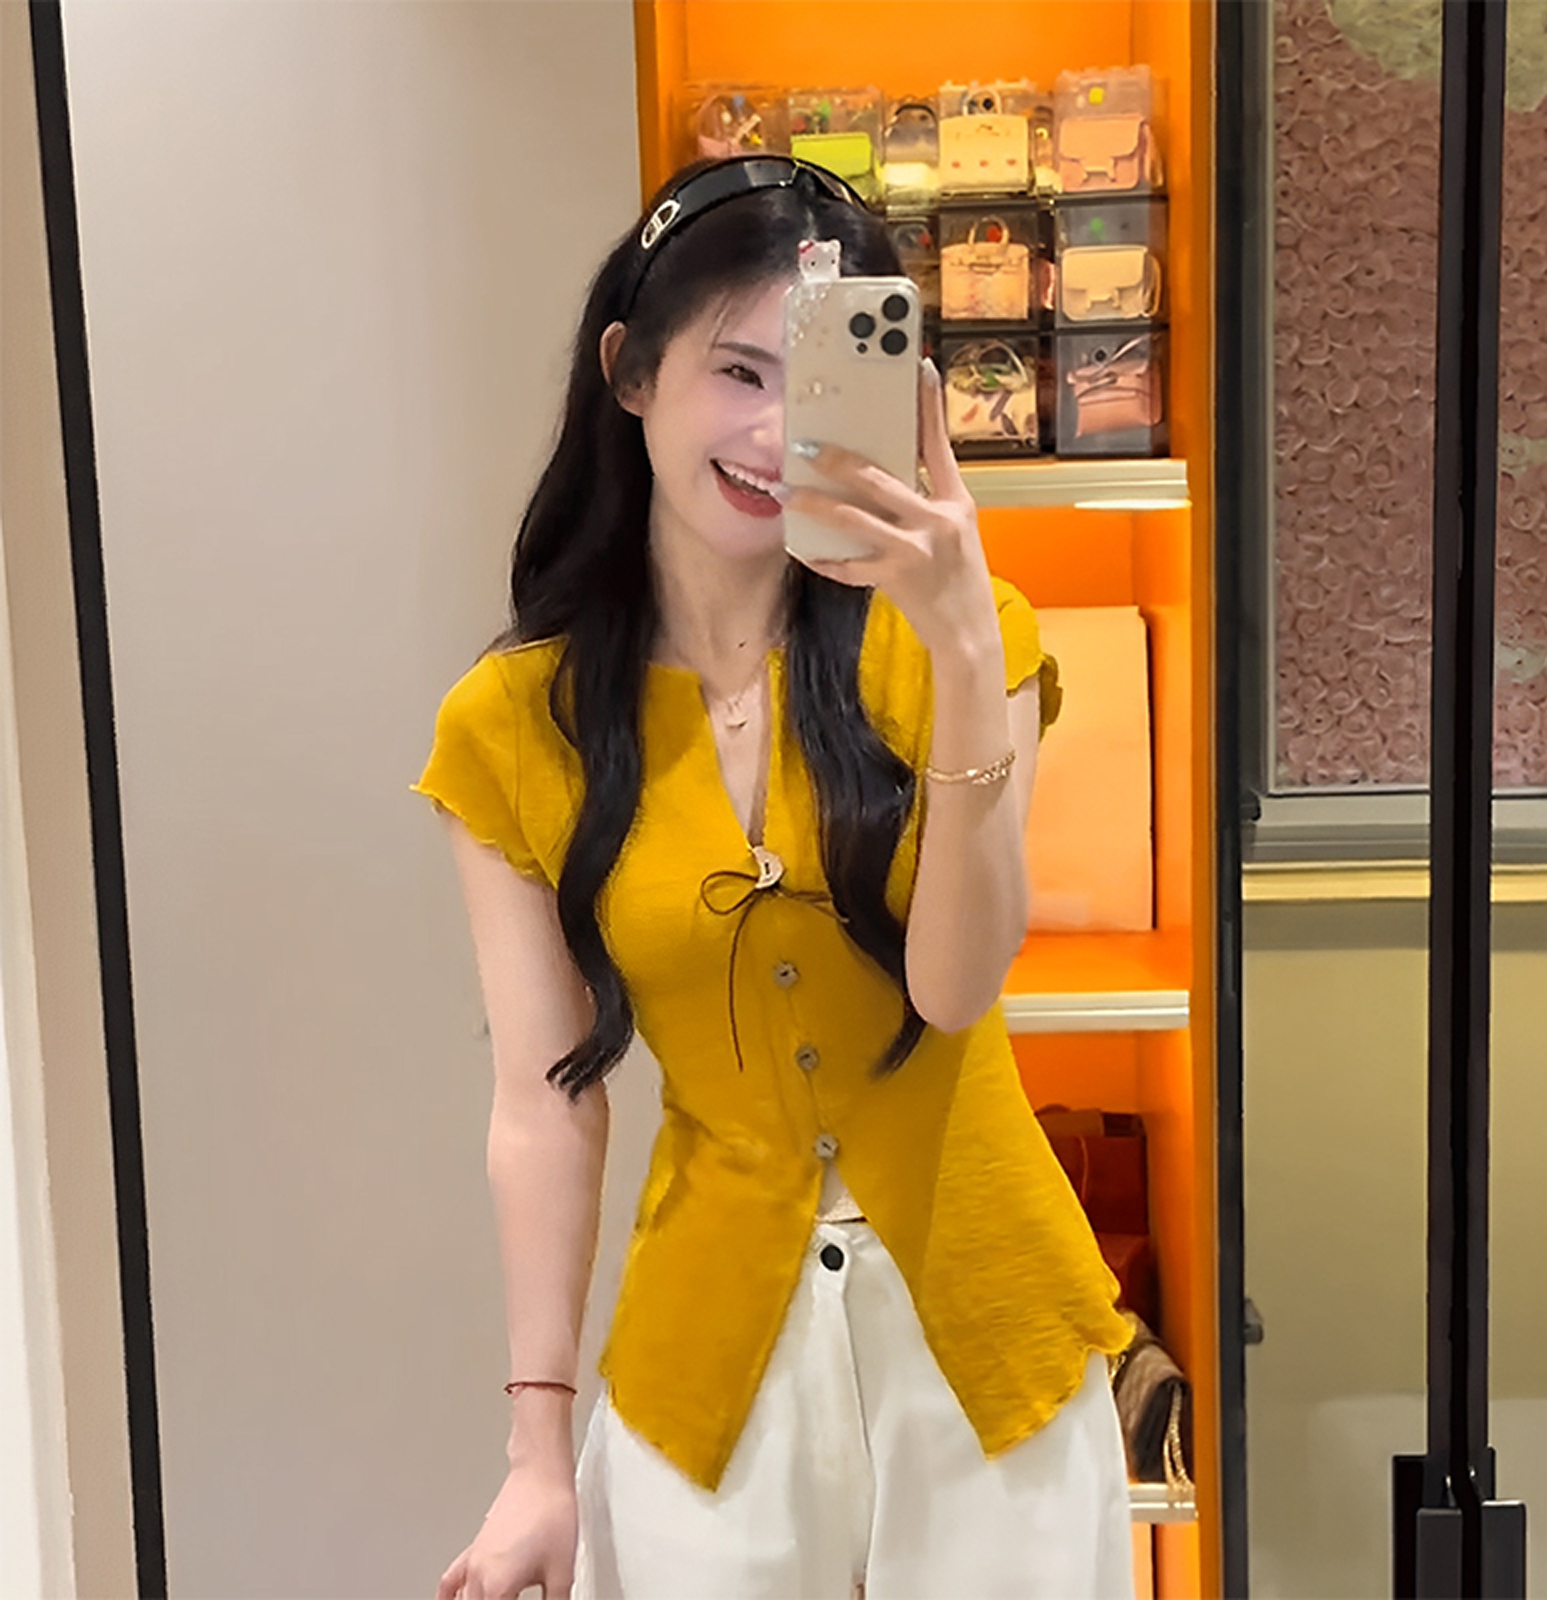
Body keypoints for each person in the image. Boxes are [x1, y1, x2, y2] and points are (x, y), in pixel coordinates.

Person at [415, 156, 1136, 1600]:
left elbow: (955, 987)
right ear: (631, 373)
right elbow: (544, 1106)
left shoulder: (961, 639)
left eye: (819, 385)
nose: (774, 432)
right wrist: (536, 1455)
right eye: (737, 371)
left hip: (992, 1342)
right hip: (710, 1362)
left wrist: (964, 651)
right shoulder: (514, 726)